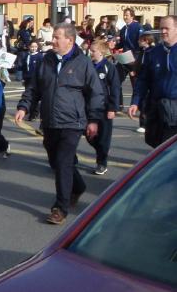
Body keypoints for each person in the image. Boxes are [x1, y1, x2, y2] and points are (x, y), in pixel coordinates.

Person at [15, 23, 104, 225]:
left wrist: (94, 120)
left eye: (57, 37)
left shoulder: (82, 63)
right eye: (53, 37)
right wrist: (24, 106)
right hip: (50, 121)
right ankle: (78, 186)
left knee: (64, 162)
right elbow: (34, 88)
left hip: (72, 122)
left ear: (69, 41)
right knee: (56, 162)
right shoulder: (46, 60)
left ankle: (60, 208)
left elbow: (96, 93)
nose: (52, 40)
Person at [129, 15, 177, 148]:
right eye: (161, 28)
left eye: (167, 28)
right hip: (156, 107)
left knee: (168, 151)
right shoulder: (155, 52)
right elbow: (143, 79)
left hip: (174, 109)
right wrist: (135, 102)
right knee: (155, 143)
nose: (163, 32)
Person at [86, 40, 120, 175]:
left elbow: (115, 88)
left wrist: (112, 108)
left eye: (93, 51)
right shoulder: (88, 65)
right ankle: (101, 150)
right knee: (88, 135)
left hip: (104, 107)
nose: (91, 53)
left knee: (104, 137)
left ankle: (102, 162)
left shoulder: (109, 67)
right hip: (89, 107)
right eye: (90, 51)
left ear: (101, 52)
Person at [134, 32, 156, 134]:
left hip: (149, 81)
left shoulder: (152, 52)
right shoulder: (142, 51)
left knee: (146, 102)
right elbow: (139, 63)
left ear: (146, 41)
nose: (138, 41)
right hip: (140, 77)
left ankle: (144, 123)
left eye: (140, 40)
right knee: (142, 100)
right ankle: (143, 123)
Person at [20, 40, 43, 121]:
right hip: (28, 78)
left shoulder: (40, 56)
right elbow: (24, 68)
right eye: (32, 47)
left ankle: (34, 114)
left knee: (35, 97)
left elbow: (41, 69)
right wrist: (23, 78)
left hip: (36, 80)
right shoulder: (27, 55)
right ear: (29, 47)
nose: (33, 48)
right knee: (28, 96)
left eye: (35, 47)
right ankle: (30, 112)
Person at [15, 16, 34, 81]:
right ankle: (19, 77)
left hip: (26, 49)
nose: (31, 24)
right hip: (22, 49)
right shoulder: (23, 31)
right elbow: (26, 40)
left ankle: (22, 76)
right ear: (26, 24)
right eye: (30, 23)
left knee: (25, 62)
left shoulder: (28, 31)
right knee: (20, 63)